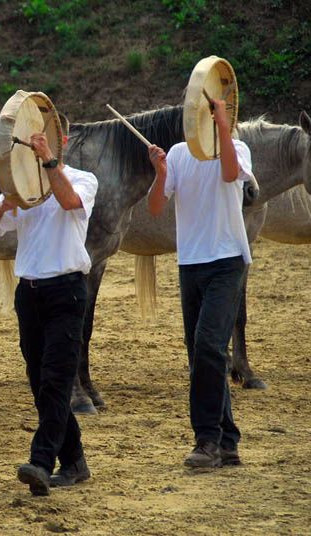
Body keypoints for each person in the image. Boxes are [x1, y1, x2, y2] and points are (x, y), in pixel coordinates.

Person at [0, 117, 97, 496]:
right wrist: (2, 206)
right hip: (29, 294)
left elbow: (69, 202)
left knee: (57, 380)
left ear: (63, 138)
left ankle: (42, 462)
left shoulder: (81, 178)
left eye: (47, 137)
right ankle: (74, 461)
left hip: (68, 292)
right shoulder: (20, 186)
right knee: (40, 384)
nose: (39, 142)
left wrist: (48, 162)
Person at [148, 97, 252, 468]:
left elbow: (228, 173)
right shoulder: (176, 154)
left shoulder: (236, 147)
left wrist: (224, 127)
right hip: (190, 264)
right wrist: (160, 173)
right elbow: (156, 207)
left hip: (227, 261)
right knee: (200, 355)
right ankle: (228, 441)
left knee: (208, 345)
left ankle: (206, 440)